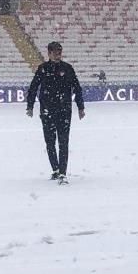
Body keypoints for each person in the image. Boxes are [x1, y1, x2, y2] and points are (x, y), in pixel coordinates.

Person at [26, 41, 85, 181]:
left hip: (64, 110)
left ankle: (63, 172)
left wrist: (80, 107)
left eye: (60, 51)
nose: (58, 54)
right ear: (49, 53)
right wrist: (30, 106)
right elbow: (33, 87)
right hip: (47, 111)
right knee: (50, 142)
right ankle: (55, 169)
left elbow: (77, 88)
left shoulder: (67, 68)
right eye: (56, 52)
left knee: (63, 142)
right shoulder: (43, 69)